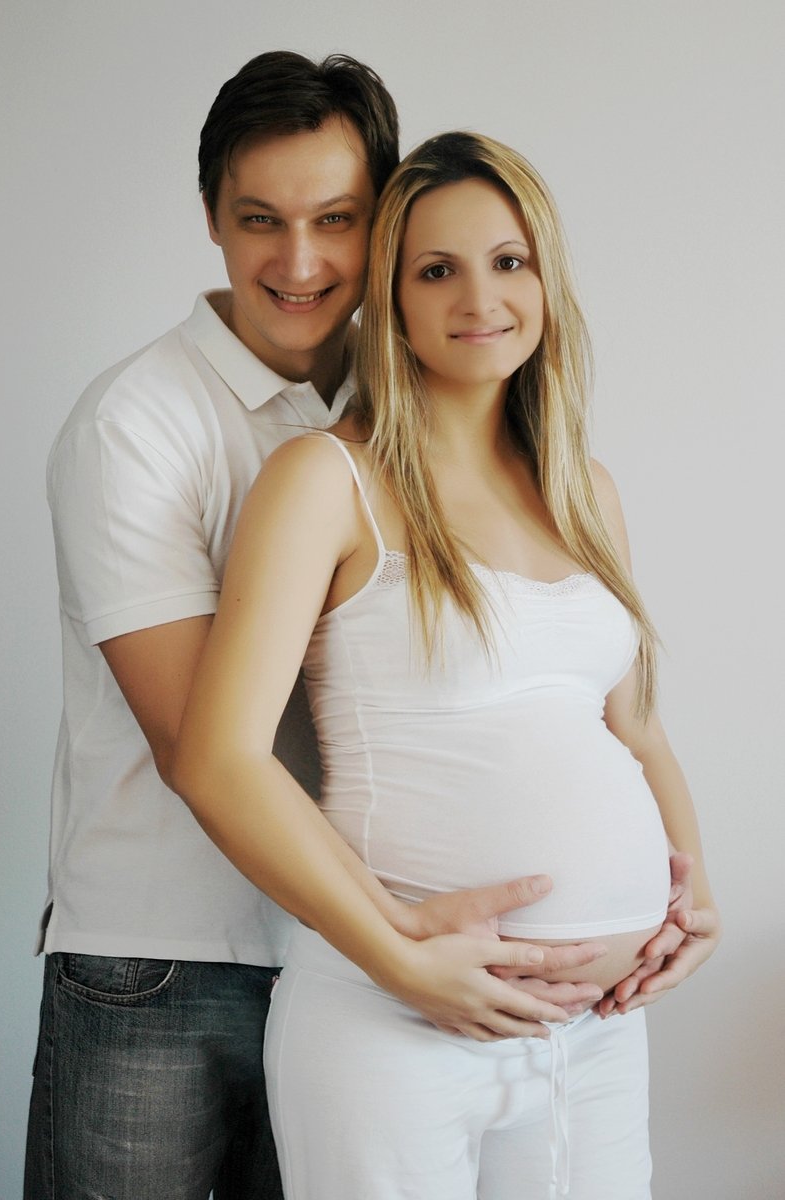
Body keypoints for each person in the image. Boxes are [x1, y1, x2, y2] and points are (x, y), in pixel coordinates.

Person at [25, 54, 622, 1200]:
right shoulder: (138, 425)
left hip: (347, 971)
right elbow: (195, 744)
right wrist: (397, 935)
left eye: (336, 220)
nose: (299, 264)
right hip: (169, 961)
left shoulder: (408, 406)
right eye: (260, 220)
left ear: (385, 222)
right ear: (211, 219)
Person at [172, 131, 721, 1198]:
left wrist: (689, 901)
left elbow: (633, 727)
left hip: (597, 1036)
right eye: (438, 269)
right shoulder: (324, 479)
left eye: (509, 260)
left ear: (546, 279)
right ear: (394, 297)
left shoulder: (585, 490)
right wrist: (401, 961)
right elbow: (219, 760)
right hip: (394, 1020)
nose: (482, 295)